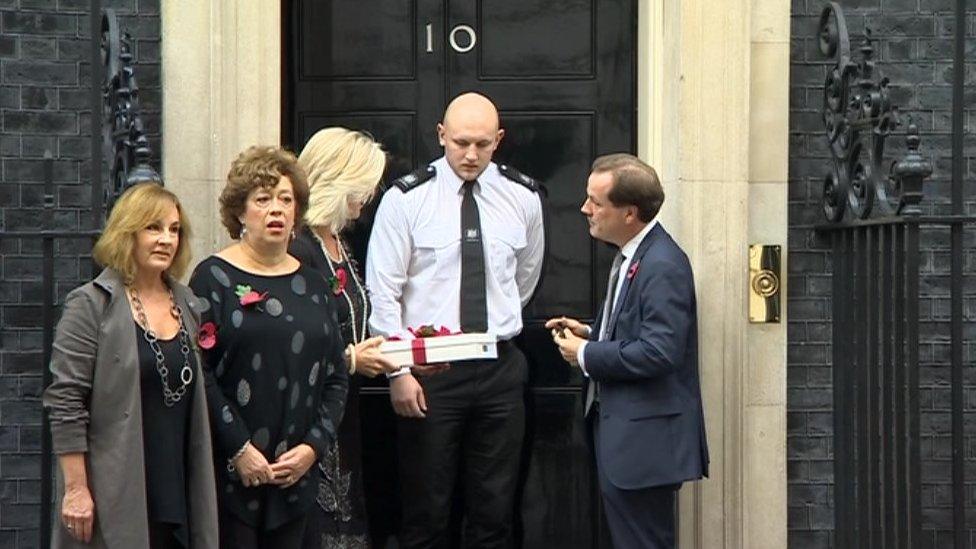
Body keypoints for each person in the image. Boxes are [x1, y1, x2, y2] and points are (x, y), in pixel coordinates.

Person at [366, 92, 545, 548]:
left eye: (483, 144)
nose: (471, 154)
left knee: (495, 509)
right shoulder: (406, 199)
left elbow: (524, 280)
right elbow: (383, 292)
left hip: (499, 368)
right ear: (441, 135)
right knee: (426, 508)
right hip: (430, 372)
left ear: (498, 140)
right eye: (461, 142)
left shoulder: (522, 197)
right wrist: (399, 371)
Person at [188, 146, 348, 549]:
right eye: (262, 200)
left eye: (286, 199)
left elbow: (336, 375)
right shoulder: (213, 278)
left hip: (298, 477)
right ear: (241, 212)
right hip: (232, 473)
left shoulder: (315, 285)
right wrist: (239, 448)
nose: (276, 210)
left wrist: (313, 448)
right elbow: (197, 371)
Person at [546, 154, 709, 549]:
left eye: (596, 202)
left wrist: (585, 354)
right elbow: (636, 325)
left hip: (645, 445)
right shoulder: (634, 255)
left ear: (630, 213)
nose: (585, 209)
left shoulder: (663, 264)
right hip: (628, 439)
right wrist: (590, 330)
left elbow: (660, 351)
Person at [43, 182, 218, 548]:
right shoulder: (90, 305)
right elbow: (65, 402)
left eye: (174, 229)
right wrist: (76, 489)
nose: (166, 239)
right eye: (153, 228)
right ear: (128, 233)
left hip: (179, 487)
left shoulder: (187, 303)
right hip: (116, 489)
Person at [289, 127, 400, 548]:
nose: (368, 197)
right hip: (310, 414)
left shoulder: (335, 241)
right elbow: (296, 341)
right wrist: (352, 360)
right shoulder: (300, 247)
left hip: (343, 408)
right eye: (363, 187)